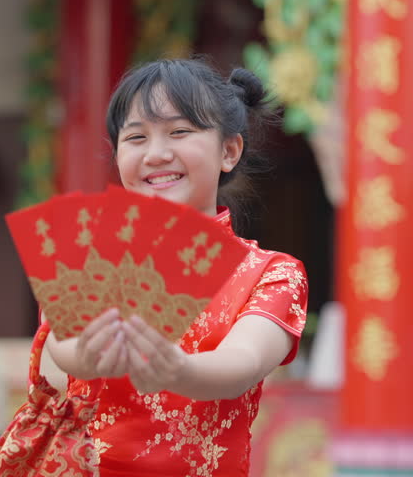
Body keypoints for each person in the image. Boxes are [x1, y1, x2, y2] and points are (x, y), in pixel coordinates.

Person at [42, 58, 309, 477]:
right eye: (136, 138)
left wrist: (178, 369)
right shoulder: (87, 254)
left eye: (180, 132)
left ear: (229, 150)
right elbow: (62, 347)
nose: (157, 154)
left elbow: (243, 360)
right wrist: (91, 354)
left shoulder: (271, 272)